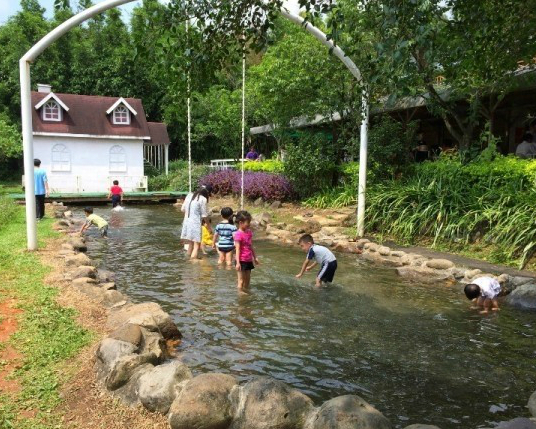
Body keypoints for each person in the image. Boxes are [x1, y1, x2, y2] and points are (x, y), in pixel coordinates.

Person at [181, 186, 212, 259]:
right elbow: (204, 215)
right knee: (196, 246)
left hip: (186, 222)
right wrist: (209, 227)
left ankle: (187, 261)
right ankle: (193, 264)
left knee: (190, 244)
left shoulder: (189, 195)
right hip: (195, 223)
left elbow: (182, 209)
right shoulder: (203, 199)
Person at [234, 211, 259, 290]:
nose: (249, 224)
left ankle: (246, 292)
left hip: (248, 259)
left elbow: (250, 245)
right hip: (241, 260)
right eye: (247, 222)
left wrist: (255, 257)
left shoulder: (249, 232)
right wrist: (237, 263)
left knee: (247, 280)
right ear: (241, 223)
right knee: (241, 281)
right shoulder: (238, 234)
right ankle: (240, 294)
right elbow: (237, 249)